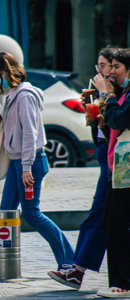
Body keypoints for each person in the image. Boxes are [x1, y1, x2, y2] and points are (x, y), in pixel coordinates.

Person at [0, 52, 74, 276]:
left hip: (29, 164)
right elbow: (19, 128)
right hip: (17, 163)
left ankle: (69, 261)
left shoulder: (24, 95)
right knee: (5, 211)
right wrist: (3, 119)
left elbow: (30, 133)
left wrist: (26, 168)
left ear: (6, 72)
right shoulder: (12, 95)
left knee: (32, 214)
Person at [47, 47, 116, 290]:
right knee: (103, 217)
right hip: (105, 157)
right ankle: (77, 270)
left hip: (116, 161)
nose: (101, 70)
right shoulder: (103, 91)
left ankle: (77, 270)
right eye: (99, 65)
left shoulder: (116, 93)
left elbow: (117, 122)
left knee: (98, 215)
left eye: (106, 65)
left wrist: (104, 99)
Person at [92, 48, 130, 298]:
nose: (111, 71)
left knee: (117, 224)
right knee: (111, 222)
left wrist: (106, 95)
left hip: (126, 171)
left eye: (116, 66)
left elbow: (120, 120)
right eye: (110, 66)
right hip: (120, 169)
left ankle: (123, 283)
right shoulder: (123, 92)